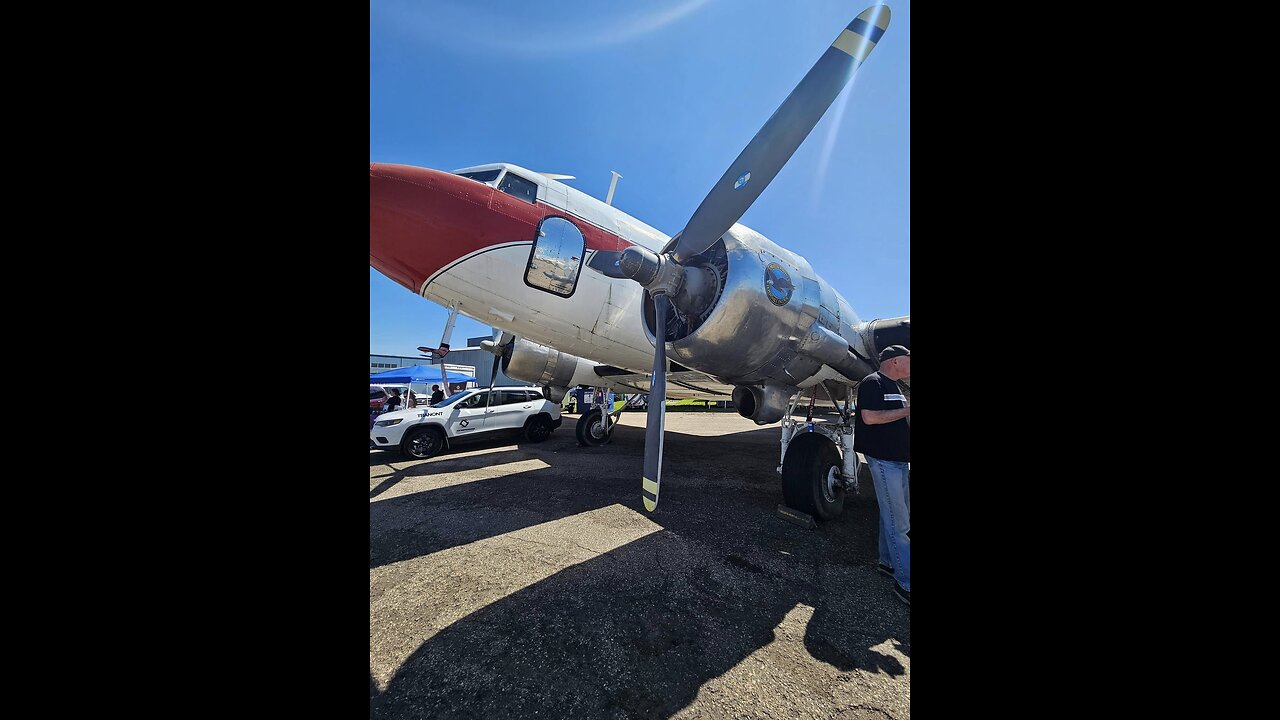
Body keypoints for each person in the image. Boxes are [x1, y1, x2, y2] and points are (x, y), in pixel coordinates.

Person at [854, 344, 911, 607]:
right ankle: (905, 583)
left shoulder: (895, 387)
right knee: (899, 523)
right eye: (909, 360)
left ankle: (888, 563)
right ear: (895, 361)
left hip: (898, 461)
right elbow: (869, 417)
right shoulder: (872, 383)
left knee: (892, 516)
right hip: (884, 461)